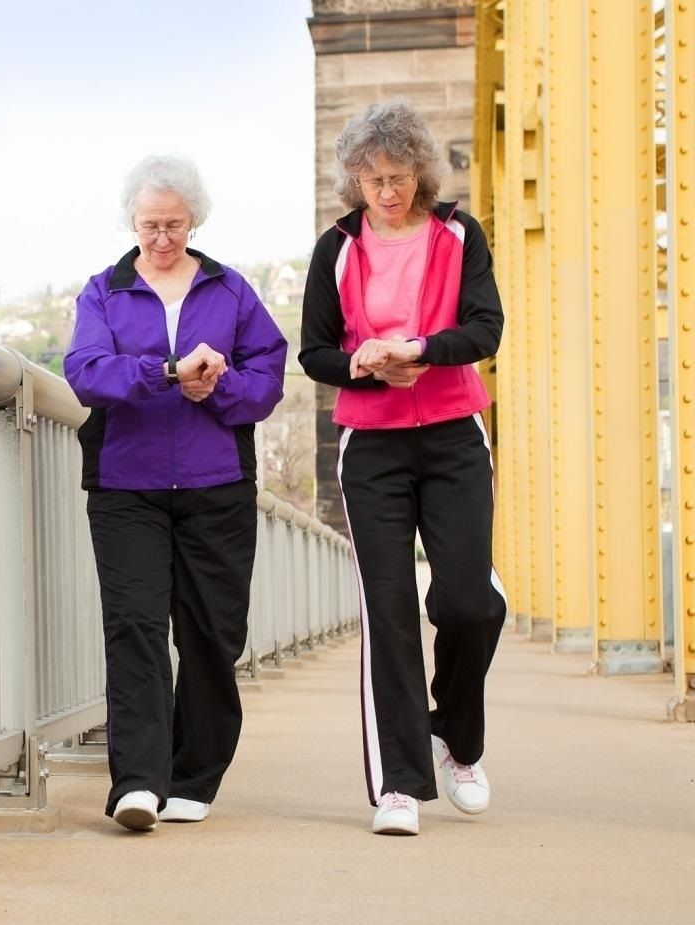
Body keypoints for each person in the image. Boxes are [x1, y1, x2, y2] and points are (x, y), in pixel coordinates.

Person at [298, 101, 506, 836]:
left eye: (397, 176)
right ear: (353, 178)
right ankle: (400, 784)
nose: (386, 191)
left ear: (421, 170)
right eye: (371, 178)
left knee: (467, 605)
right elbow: (314, 351)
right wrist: (360, 364)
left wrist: (420, 351)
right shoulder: (337, 246)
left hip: (454, 434)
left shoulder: (458, 232)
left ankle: (461, 741)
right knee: (388, 612)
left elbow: (486, 329)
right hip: (373, 448)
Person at [64, 155, 287, 832]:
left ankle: (195, 774)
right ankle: (137, 781)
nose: (161, 238)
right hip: (126, 486)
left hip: (215, 484)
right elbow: (85, 372)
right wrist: (165, 372)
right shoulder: (104, 292)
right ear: (131, 222)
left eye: (174, 225)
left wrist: (216, 386)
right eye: (150, 225)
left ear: (195, 221)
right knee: (134, 626)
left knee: (212, 634)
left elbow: (268, 378)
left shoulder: (231, 291)